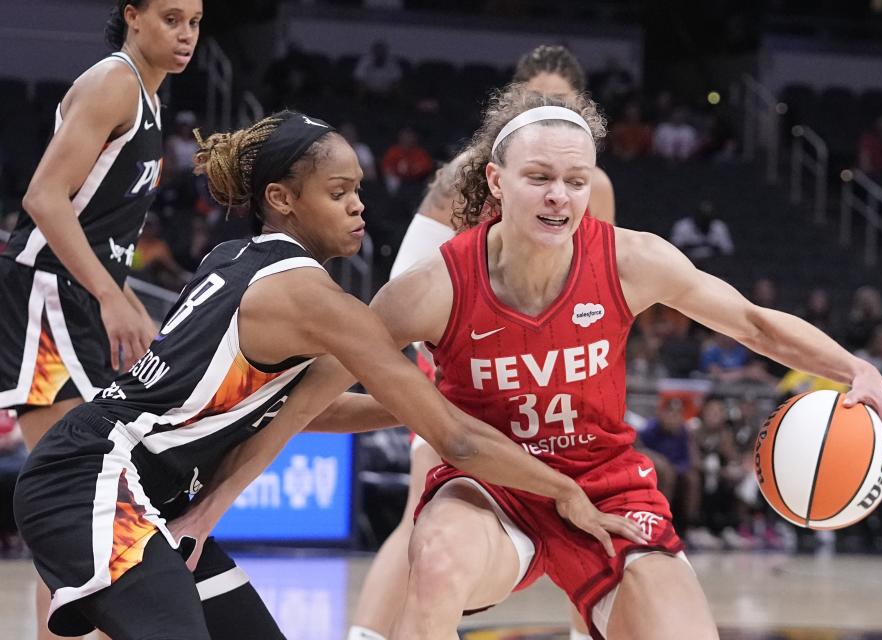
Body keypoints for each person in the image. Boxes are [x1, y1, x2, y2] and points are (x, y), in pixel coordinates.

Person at [13, 110, 639, 640]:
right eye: (338, 193)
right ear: (281, 200)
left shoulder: (233, 259)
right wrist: (563, 489)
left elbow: (301, 407)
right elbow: (457, 442)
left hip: (142, 490)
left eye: (359, 190)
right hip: (95, 480)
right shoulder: (309, 298)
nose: (358, 206)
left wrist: (430, 402)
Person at [373, 86, 882, 639]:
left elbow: (752, 323)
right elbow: (327, 383)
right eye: (539, 178)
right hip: (490, 485)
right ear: (496, 181)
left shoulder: (630, 260)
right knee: (436, 562)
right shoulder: (434, 288)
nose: (560, 196)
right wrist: (418, 412)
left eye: (576, 182)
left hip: (605, 487)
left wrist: (857, 371)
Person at [352, 43, 616, 640]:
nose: (550, 112)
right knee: (422, 508)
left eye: (564, 104)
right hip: (466, 374)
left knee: (586, 512)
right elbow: (406, 285)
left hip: (557, 379)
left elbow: (603, 292)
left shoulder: (590, 183)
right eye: (538, 100)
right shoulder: (470, 172)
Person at [0, 2, 201, 638]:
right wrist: (111, 295)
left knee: (76, 497)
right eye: (171, 17)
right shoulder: (114, 82)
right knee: (76, 489)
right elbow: (42, 198)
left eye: (195, 20)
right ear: (132, 16)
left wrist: (124, 297)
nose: (187, 34)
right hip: (45, 293)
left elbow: (98, 221)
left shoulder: (147, 95)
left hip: (80, 295)